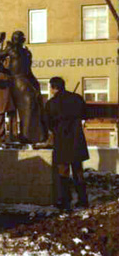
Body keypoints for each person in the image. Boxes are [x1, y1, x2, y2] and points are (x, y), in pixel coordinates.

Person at [0, 31, 47, 144]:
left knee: (30, 106)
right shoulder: (19, 51)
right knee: (28, 106)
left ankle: (31, 136)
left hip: (22, 81)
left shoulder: (19, 51)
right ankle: (28, 136)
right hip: (22, 81)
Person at [45, 76, 89, 211]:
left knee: (63, 172)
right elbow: (85, 114)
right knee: (78, 171)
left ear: (53, 88)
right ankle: (83, 200)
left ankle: (65, 201)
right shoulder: (77, 98)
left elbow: (48, 123)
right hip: (77, 139)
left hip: (62, 140)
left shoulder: (51, 103)